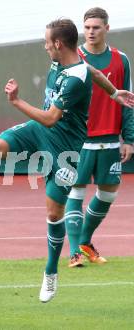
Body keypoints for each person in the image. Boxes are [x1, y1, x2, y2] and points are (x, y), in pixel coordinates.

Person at [0, 19, 134, 303]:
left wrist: (17, 101)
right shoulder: (75, 61)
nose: (45, 47)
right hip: (39, 132)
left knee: (53, 214)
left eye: (47, 42)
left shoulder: (74, 78)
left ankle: (50, 273)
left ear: (58, 44)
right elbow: (94, 70)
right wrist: (113, 91)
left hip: (65, 149)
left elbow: (51, 117)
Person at [65, 7, 134, 268]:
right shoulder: (73, 57)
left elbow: (127, 100)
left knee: (108, 194)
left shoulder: (121, 59)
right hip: (78, 140)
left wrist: (129, 138)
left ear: (107, 28)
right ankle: (74, 252)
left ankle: (84, 241)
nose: (91, 31)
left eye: (96, 27)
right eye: (87, 27)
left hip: (109, 141)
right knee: (76, 192)